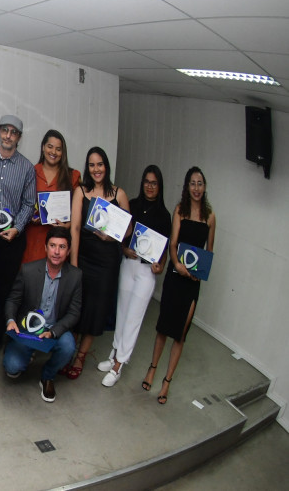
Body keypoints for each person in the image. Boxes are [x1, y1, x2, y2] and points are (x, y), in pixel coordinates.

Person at [142, 167, 216, 405]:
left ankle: (167, 381)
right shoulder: (180, 211)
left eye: (200, 183)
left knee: (180, 334)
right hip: (176, 276)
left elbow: (209, 252)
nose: (196, 188)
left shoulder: (211, 217)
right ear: (187, 187)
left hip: (192, 284)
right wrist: (177, 265)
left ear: (204, 187)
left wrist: (199, 272)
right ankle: (153, 368)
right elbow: (173, 244)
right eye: (192, 183)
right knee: (164, 327)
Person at [99, 165, 170, 387]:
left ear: (160, 186)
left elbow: (165, 249)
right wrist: (123, 249)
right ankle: (114, 355)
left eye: (154, 183)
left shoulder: (164, 215)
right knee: (121, 312)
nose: (150, 186)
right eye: (147, 182)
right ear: (142, 183)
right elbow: (121, 233)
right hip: (128, 264)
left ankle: (120, 365)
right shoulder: (133, 204)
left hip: (147, 271)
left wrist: (161, 266)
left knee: (134, 318)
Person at [0, 114, 36, 361]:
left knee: (3, 290)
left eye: (14, 132)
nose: (8, 136)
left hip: (11, 238)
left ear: (19, 138)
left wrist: (18, 228)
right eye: (5, 130)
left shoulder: (27, 167)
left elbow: (29, 203)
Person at [69, 147, 129, 380]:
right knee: (78, 306)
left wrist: (111, 236)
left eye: (100, 164)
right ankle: (68, 352)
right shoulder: (81, 192)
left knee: (96, 309)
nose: (96, 169)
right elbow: (74, 228)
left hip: (107, 262)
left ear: (107, 166)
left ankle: (81, 357)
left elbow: (128, 230)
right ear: (88, 167)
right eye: (92, 165)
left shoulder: (119, 194)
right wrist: (73, 263)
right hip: (83, 258)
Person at [3, 226, 82, 403]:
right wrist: (10, 321)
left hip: (53, 328)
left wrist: (54, 332)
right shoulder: (28, 270)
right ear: (45, 247)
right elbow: (13, 300)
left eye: (62, 247)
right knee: (12, 368)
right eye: (53, 246)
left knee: (69, 347)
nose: (56, 251)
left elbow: (74, 312)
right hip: (27, 329)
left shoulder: (75, 276)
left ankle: (48, 375)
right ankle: (28, 354)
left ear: (68, 251)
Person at [23, 130, 80, 264]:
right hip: (32, 238)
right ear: (43, 147)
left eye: (58, 149)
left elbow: (79, 213)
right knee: (30, 279)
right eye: (50, 146)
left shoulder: (73, 176)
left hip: (58, 242)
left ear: (63, 152)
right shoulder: (30, 171)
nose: (53, 152)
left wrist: (68, 225)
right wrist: (28, 216)